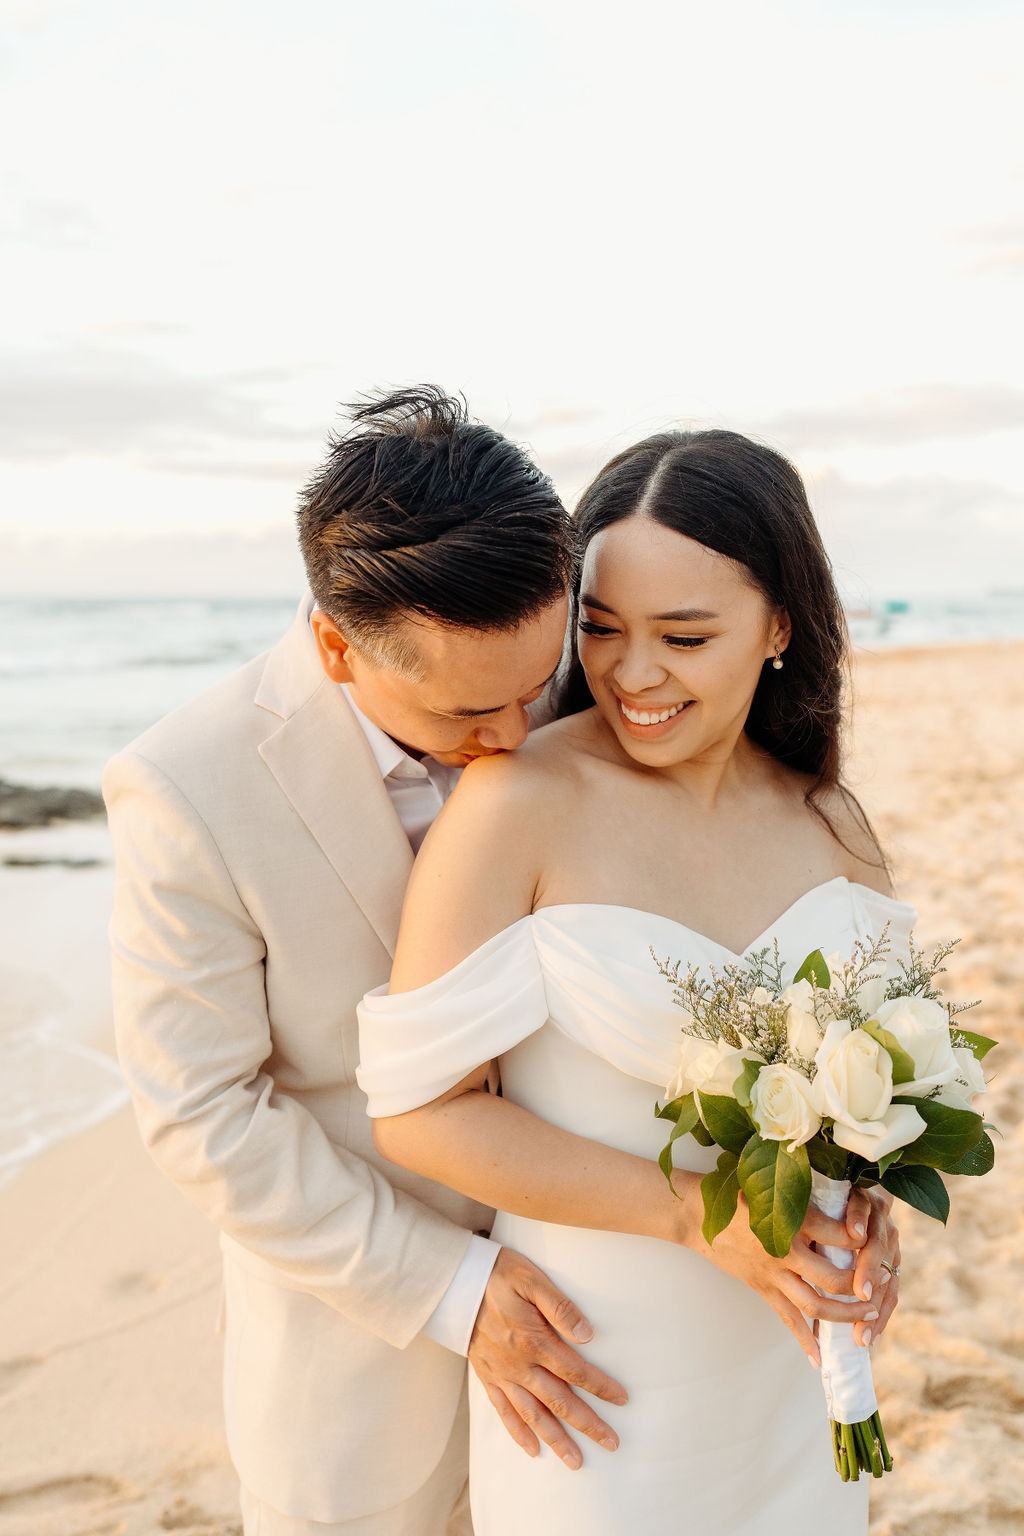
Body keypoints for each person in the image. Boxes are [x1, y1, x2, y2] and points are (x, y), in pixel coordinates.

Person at [356, 428, 907, 1534]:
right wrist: (695, 1221)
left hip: (790, 1374)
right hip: (599, 1383)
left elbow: (872, 1079)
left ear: (780, 628)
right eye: (599, 630)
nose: (631, 674)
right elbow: (417, 1114)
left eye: (684, 636)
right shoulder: (517, 804)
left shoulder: (830, 822)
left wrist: (870, 1198)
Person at [104, 386, 630, 1536]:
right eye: (470, 711)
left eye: (531, 688)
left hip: (613, 1309)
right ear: (338, 647)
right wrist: (450, 1288)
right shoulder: (189, 786)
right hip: (354, 1362)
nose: (514, 737)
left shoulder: (568, 700)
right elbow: (202, 1113)